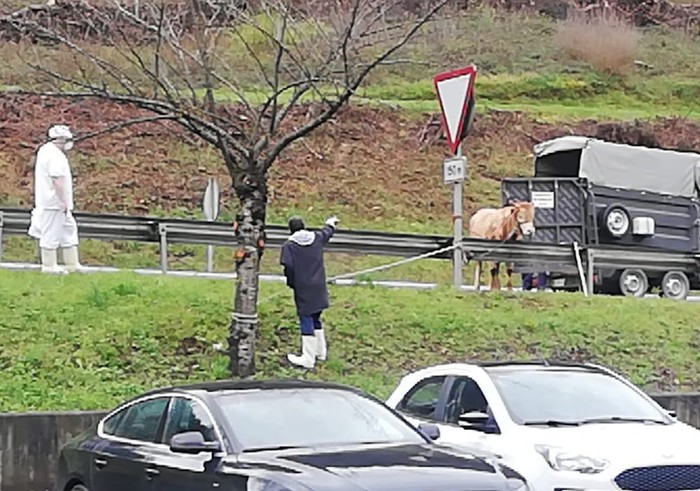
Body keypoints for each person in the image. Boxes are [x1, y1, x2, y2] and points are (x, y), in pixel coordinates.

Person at [280, 215, 339, 369]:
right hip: (319, 285)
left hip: (303, 287)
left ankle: (308, 358)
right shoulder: (316, 238)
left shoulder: (289, 246)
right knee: (316, 317)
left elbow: (288, 267)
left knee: (305, 318)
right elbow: (327, 232)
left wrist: (291, 282)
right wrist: (330, 223)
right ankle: (321, 352)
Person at [28, 124, 83, 274]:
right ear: (61, 139)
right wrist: (63, 200)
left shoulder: (45, 150)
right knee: (50, 232)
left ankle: (72, 263)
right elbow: (57, 180)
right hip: (54, 202)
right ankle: (49, 265)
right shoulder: (55, 156)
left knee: (68, 230)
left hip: (53, 202)